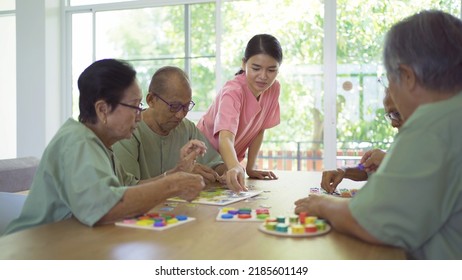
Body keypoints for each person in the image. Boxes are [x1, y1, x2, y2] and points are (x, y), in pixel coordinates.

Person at [295, 10, 462, 259]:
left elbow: (371, 224)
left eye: (389, 79)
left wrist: (320, 204)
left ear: (407, 76)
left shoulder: (430, 125)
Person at [3, 59, 206, 236]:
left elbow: (128, 189)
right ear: (103, 110)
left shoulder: (100, 145)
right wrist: (172, 185)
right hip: (30, 250)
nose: (139, 115)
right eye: (134, 106)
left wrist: (175, 174)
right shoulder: (77, 141)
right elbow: (104, 207)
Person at [197, 34, 283, 192]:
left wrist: (250, 168)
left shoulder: (274, 88)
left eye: (271, 70)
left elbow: (259, 129)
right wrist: (235, 166)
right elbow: (225, 138)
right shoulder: (233, 92)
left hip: (229, 162)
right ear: (244, 64)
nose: (263, 76)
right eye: (256, 68)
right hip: (205, 157)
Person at [113, 66, 226, 185]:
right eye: (174, 106)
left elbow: (216, 164)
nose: (180, 115)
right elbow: (127, 190)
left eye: (186, 107)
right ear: (151, 100)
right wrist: (178, 176)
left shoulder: (186, 128)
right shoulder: (129, 131)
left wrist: (229, 171)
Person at [321, 90, 404, 193]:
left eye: (396, 114)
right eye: (389, 116)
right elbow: (367, 171)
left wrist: (388, 161)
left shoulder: (426, 142)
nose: (393, 124)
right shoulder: (402, 140)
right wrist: (344, 170)